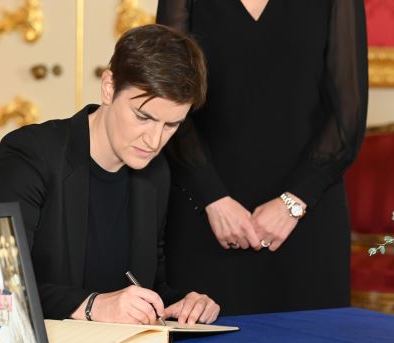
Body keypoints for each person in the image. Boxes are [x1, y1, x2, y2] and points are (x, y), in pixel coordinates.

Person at [0, 24, 220, 325]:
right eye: (143, 117)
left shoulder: (155, 172)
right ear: (109, 87)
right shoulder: (31, 154)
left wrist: (184, 303)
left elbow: (149, 284)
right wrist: (92, 306)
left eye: (171, 125)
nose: (154, 141)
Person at [157, 0, 368, 314]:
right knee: (203, 341)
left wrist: (294, 201)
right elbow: (167, 96)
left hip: (308, 214)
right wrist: (212, 197)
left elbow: (347, 116)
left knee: (311, 341)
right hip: (204, 211)